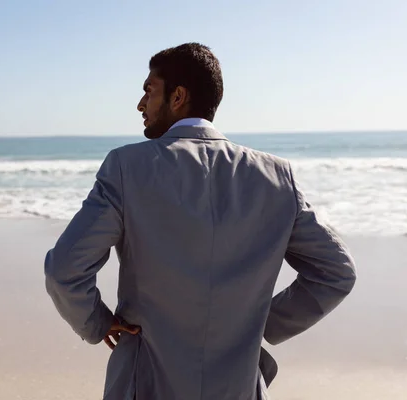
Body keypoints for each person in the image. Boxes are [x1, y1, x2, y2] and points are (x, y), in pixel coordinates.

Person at [44, 43, 356, 400]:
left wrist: (97, 322)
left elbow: (64, 270)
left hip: (143, 384)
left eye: (149, 91)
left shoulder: (126, 168)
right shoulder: (275, 177)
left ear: (178, 97)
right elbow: (337, 273)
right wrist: (259, 325)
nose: (140, 104)